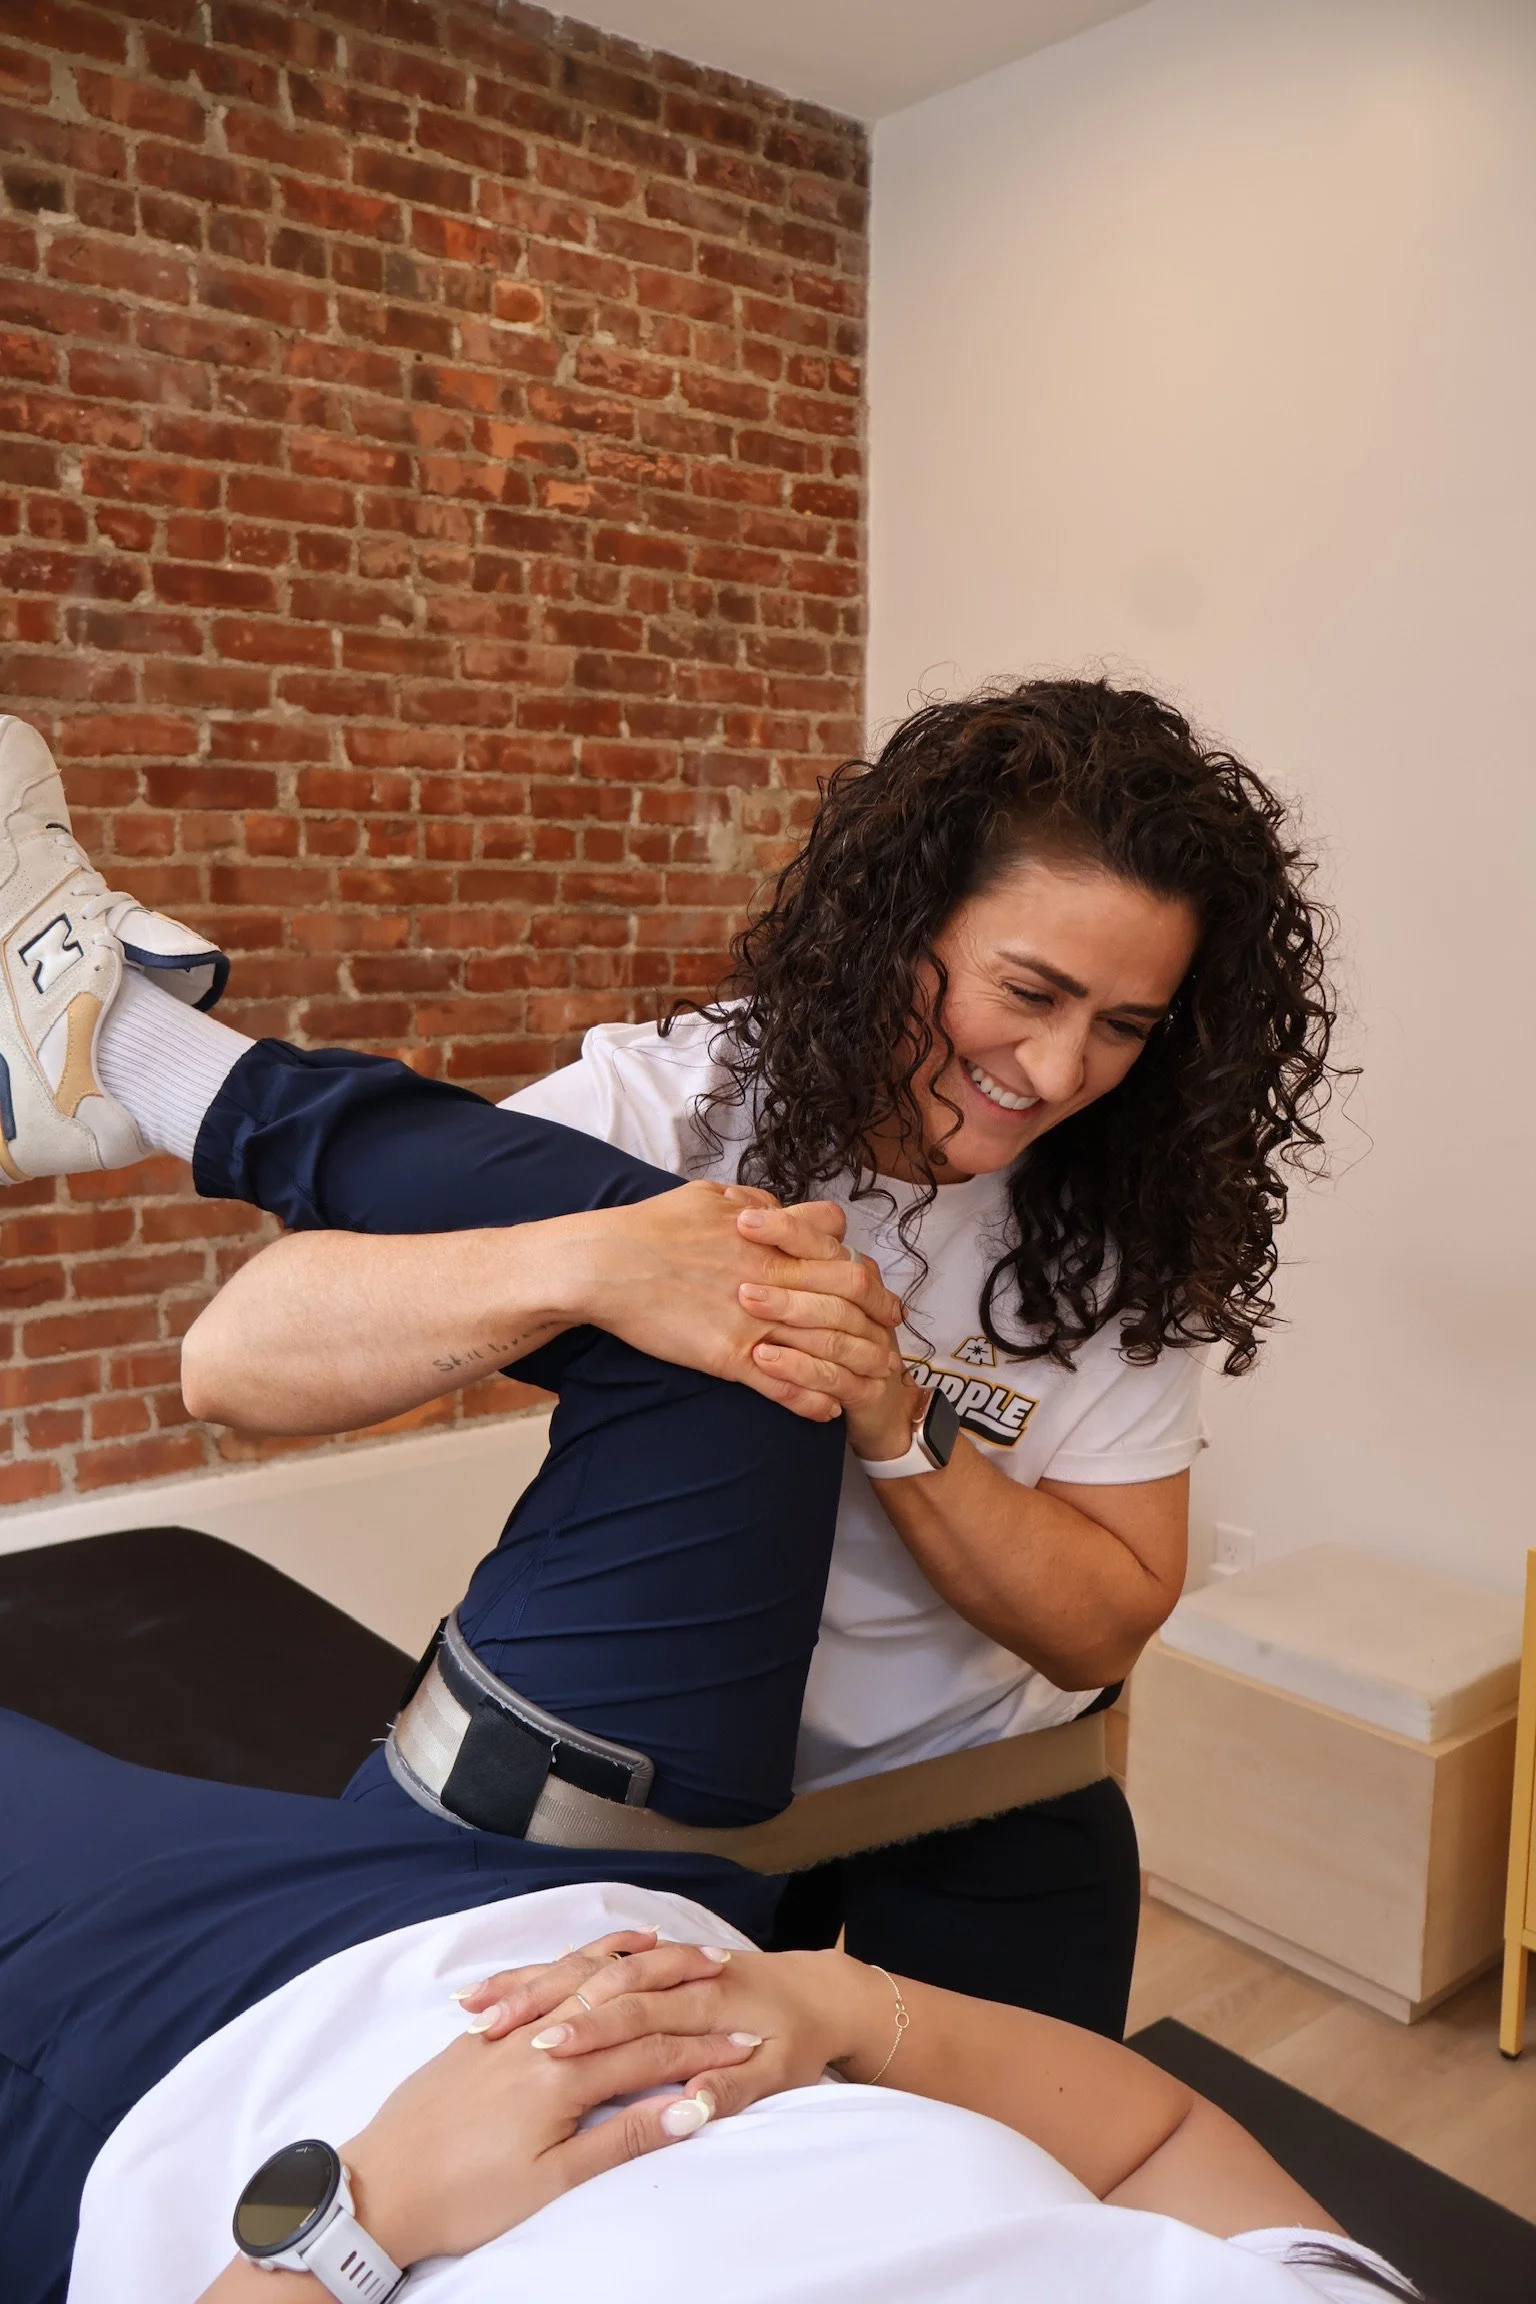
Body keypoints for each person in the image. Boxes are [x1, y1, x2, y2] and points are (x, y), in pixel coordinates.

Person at [0, 743, 1402, 2300]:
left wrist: (898, 1421)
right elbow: (235, 1364)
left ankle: (126, 1040)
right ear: (903, 926)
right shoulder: (672, 1104)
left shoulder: (1122, 1224)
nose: (1062, 1071)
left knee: (1011, 2187)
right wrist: (595, 1266)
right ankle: (124, 1044)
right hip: (625, 1778)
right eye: (1030, 993)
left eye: (1126, 1026)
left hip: (974, 1799)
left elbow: (1106, 1621)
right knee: (741, 1277)